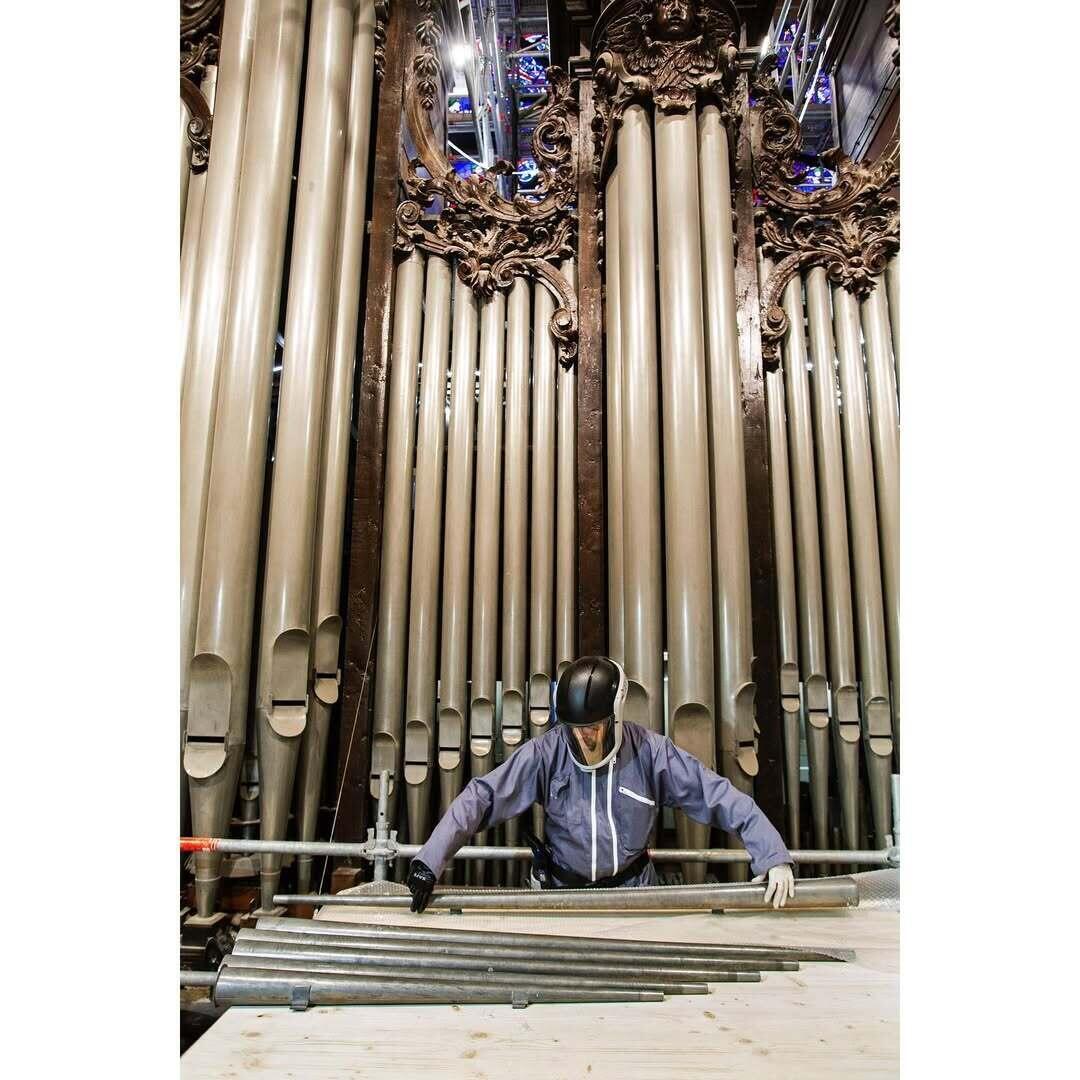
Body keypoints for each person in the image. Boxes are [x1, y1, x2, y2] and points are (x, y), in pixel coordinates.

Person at [406, 656, 796, 912]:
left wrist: (772, 855)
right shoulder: (546, 752)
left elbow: (719, 796)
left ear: (615, 716)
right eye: (575, 730)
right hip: (562, 898)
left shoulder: (652, 753)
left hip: (635, 897)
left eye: (592, 728)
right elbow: (483, 797)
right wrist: (430, 860)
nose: (584, 739)